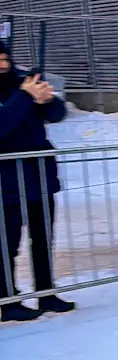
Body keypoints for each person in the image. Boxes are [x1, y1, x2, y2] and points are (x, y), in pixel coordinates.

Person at [0, 40, 73, 322]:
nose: (4, 65)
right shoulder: (22, 90)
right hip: (6, 181)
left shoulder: (23, 83)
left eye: (6, 58)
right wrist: (25, 96)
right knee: (7, 243)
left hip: (38, 176)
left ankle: (46, 291)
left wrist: (48, 100)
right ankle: (7, 299)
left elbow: (57, 115)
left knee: (43, 239)